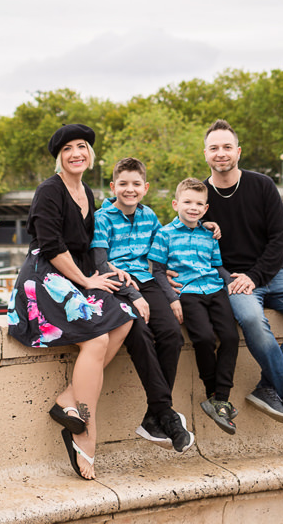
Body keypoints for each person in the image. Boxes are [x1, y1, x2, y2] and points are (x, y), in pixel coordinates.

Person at [7, 123, 135, 480]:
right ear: (59, 158)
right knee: (95, 339)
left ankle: (68, 400)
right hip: (44, 279)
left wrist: (112, 272)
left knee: (124, 316)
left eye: (81, 147)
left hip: (74, 276)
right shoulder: (49, 191)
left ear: (89, 154)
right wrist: (86, 281)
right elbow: (51, 247)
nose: (76, 153)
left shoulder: (87, 191)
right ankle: (86, 432)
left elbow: (92, 242)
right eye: (67, 149)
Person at [201, 119, 283, 440]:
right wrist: (231, 277)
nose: (221, 153)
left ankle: (267, 387)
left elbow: (280, 239)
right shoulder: (198, 195)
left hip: (272, 274)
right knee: (251, 318)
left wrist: (255, 275)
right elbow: (192, 249)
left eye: (227, 147)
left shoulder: (262, 185)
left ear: (238, 151)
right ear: (205, 154)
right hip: (230, 279)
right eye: (214, 148)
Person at [90, 157, 194, 452]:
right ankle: (165, 413)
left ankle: (154, 415)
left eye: (136, 184)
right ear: (113, 186)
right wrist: (132, 294)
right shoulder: (103, 218)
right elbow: (99, 262)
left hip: (147, 282)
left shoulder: (149, 217)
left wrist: (203, 225)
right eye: (123, 184)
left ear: (145, 188)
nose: (130, 189)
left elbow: (168, 244)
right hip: (115, 285)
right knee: (140, 334)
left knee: (172, 334)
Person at [149, 177, 240, 435]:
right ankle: (213, 393)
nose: (193, 207)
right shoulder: (164, 234)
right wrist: (172, 298)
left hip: (214, 289)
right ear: (176, 203)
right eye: (188, 202)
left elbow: (218, 265)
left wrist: (230, 282)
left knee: (231, 337)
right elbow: (158, 271)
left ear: (206, 208)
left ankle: (221, 397)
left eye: (199, 203)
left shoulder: (209, 233)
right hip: (187, 292)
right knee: (203, 338)